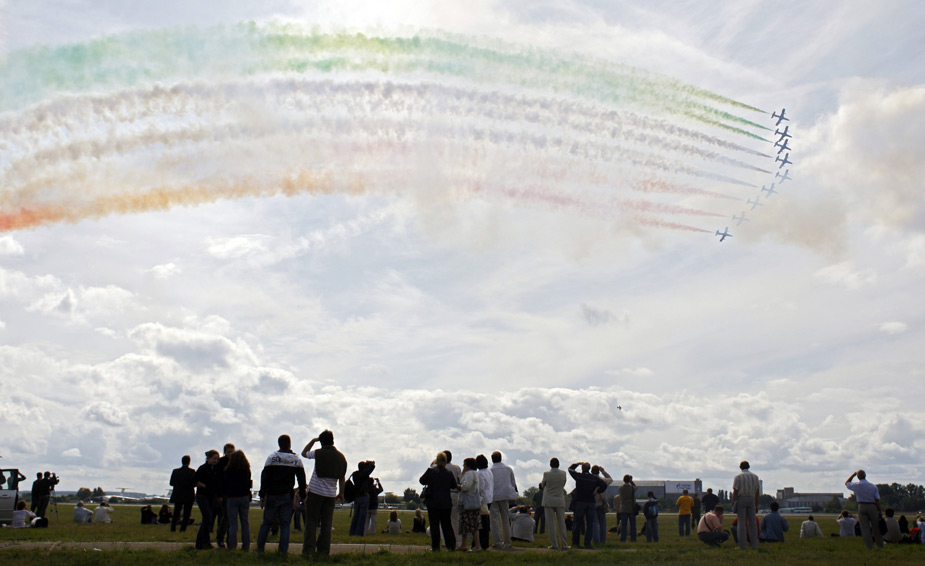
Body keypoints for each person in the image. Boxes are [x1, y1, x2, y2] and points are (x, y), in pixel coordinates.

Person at [256, 434, 307, 554]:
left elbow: (265, 478)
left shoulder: (272, 458)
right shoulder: (296, 459)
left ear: (279, 444)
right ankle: (283, 551)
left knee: (267, 523)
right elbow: (301, 479)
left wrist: (262, 495)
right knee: (285, 525)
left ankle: (260, 549)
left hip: (272, 495)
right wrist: (303, 495)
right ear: (290, 444)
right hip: (287, 495)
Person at [301, 430, 348, 555]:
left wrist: (313, 440)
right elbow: (342, 478)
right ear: (333, 441)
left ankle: (308, 550)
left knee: (311, 523)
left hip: (315, 492)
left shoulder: (318, 453)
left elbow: (304, 453)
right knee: (327, 524)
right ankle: (323, 551)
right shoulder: (341, 457)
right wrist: (341, 493)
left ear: (321, 442)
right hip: (331, 495)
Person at [420, 451, 458, 551]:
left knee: (434, 526)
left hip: (433, 503)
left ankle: (435, 547)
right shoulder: (448, 473)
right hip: (446, 503)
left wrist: (430, 469)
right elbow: (454, 485)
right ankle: (451, 546)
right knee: (447, 525)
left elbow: (422, 481)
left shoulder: (431, 472)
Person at [568, 461, 607, 549]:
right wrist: (597, 491)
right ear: (589, 469)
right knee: (590, 523)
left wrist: (577, 464)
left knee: (577, 523)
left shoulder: (579, 476)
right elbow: (604, 485)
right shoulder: (594, 478)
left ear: (582, 468)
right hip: (591, 502)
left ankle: (575, 543)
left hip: (580, 501)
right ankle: (587, 543)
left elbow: (570, 469)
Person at [845, 470, 884, 549]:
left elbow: (847, 483)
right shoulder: (873, 486)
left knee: (865, 527)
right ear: (865, 475)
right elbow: (877, 500)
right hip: (872, 506)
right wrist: (879, 511)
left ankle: (869, 546)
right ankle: (880, 544)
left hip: (861, 505)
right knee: (876, 526)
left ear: (858, 477)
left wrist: (853, 475)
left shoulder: (856, 485)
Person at [224, 449, 253, 551]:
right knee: (245, 522)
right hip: (244, 496)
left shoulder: (229, 469)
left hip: (232, 497)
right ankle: (246, 546)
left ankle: (232, 545)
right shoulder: (246, 469)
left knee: (233, 523)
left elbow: (225, 483)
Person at [193, 450, 221, 549]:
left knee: (209, 520)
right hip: (202, 496)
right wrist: (205, 486)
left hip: (211, 497)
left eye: (217, 459)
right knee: (207, 517)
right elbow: (194, 481)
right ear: (208, 458)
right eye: (214, 458)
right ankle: (200, 542)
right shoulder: (203, 468)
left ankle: (205, 541)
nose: (215, 460)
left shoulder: (216, 469)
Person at [489, 451, 517, 550]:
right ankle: (507, 542)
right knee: (505, 519)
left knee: (494, 520)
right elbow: (513, 482)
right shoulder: (508, 469)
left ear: (492, 459)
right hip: (505, 496)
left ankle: (497, 542)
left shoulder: (490, 470)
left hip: (494, 496)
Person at [539, 457, 569, 550]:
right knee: (562, 523)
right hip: (559, 499)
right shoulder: (563, 473)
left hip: (549, 500)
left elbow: (542, 485)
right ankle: (564, 544)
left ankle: (554, 544)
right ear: (558, 464)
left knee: (551, 524)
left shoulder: (546, 474)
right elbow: (563, 484)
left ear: (550, 464)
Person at [732, 461, 760, 550]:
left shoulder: (738, 477)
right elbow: (757, 492)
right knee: (752, 523)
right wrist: (756, 504)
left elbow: (735, 492)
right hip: (752, 498)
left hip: (742, 498)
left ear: (740, 467)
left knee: (741, 523)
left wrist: (734, 503)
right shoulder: (755, 477)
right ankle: (754, 545)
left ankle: (742, 545)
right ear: (749, 466)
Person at [456, 457, 482, 551]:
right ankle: (464, 545)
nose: (463, 466)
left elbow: (466, 486)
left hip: (468, 503)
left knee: (472, 525)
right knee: (466, 525)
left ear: (468, 465)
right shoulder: (473, 473)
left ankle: (477, 545)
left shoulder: (470, 474)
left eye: (464, 464)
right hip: (469, 503)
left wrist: (458, 486)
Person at [214, 443, 235, 547]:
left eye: (232, 452)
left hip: (233, 492)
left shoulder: (236, 461)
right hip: (224, 492)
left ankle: (229, 538)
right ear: (225, 452)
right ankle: (220, 537)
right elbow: (218, 479)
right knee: (226, 516)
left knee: (232, 517)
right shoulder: (221, 462)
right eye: (228, 452)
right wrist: (219, 494)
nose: (230, 454)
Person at [169, 455, 197, 532]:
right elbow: (194, 483)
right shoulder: (192, 471)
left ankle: (173, 527)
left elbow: (171, 483)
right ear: (189, 462)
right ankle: (183, 528)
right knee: (187, 513)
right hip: (188, 494)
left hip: (178, 494)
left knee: (176, 512)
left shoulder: (175, 471)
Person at [348, 460, 375, 536]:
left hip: (357, 497)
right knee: (362, 517)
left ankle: (352, 533)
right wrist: (370, 463)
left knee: (355, 516)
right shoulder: (364, 475)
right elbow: (372, 468)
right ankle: (359, 534)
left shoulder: (355, 475)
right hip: (363, 497)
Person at [475, 454, 493, 550]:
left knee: (480, 522)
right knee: (485, 522)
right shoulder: (489, 472)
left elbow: (480, 488)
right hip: (489, 498)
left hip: (482, 499)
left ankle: (480, 542)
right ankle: (484, 543)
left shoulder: (479, 473)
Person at [592, 465, 613, 543]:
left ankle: (596, 540)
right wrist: (603, 471)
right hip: (602, 503)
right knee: (602, 524)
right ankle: (602, 540)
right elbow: (610, 479)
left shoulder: (590, 480)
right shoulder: (603, 480)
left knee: (594, 523)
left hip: (593, 502)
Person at [616, 474, 637, 542]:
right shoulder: (632, 488)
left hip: (623, 508)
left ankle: (623, 538)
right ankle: (633, 538)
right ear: (629, 480)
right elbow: (636, 487)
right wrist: (631, 482)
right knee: (633, 525)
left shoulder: (620, 488)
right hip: (631, 508)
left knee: (623, 525)